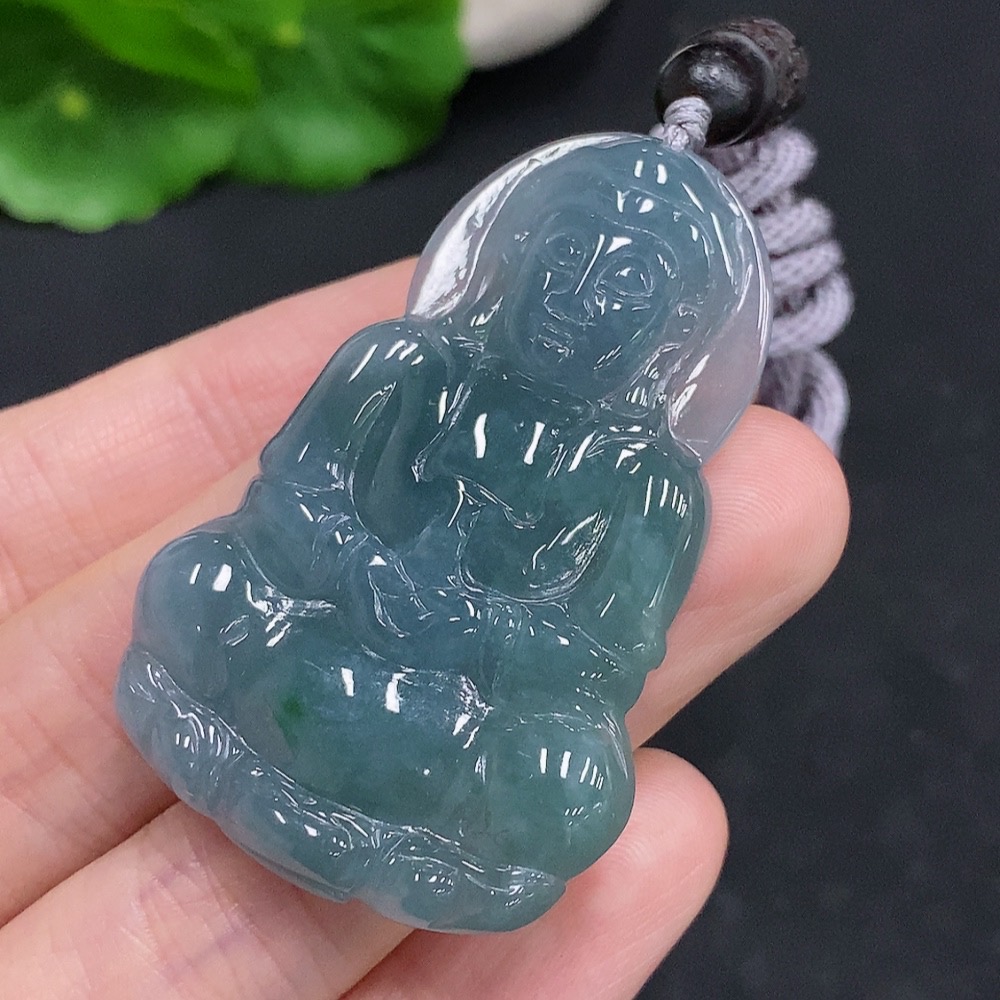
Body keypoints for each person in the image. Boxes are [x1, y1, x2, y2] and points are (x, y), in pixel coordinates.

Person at [0, 258, 847, 995]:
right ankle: (385, 835)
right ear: (512, 259)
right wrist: (360, 570)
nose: (578, 297)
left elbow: (604, 660)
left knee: (573, 785)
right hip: (317, 633)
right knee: (201, 580)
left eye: (627, 285)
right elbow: (290, 500)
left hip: (458, 715)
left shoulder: (654, 486)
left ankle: (273, 771)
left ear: (675, 330)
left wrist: (475, 629)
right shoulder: (405, 366)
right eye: (564, 257)